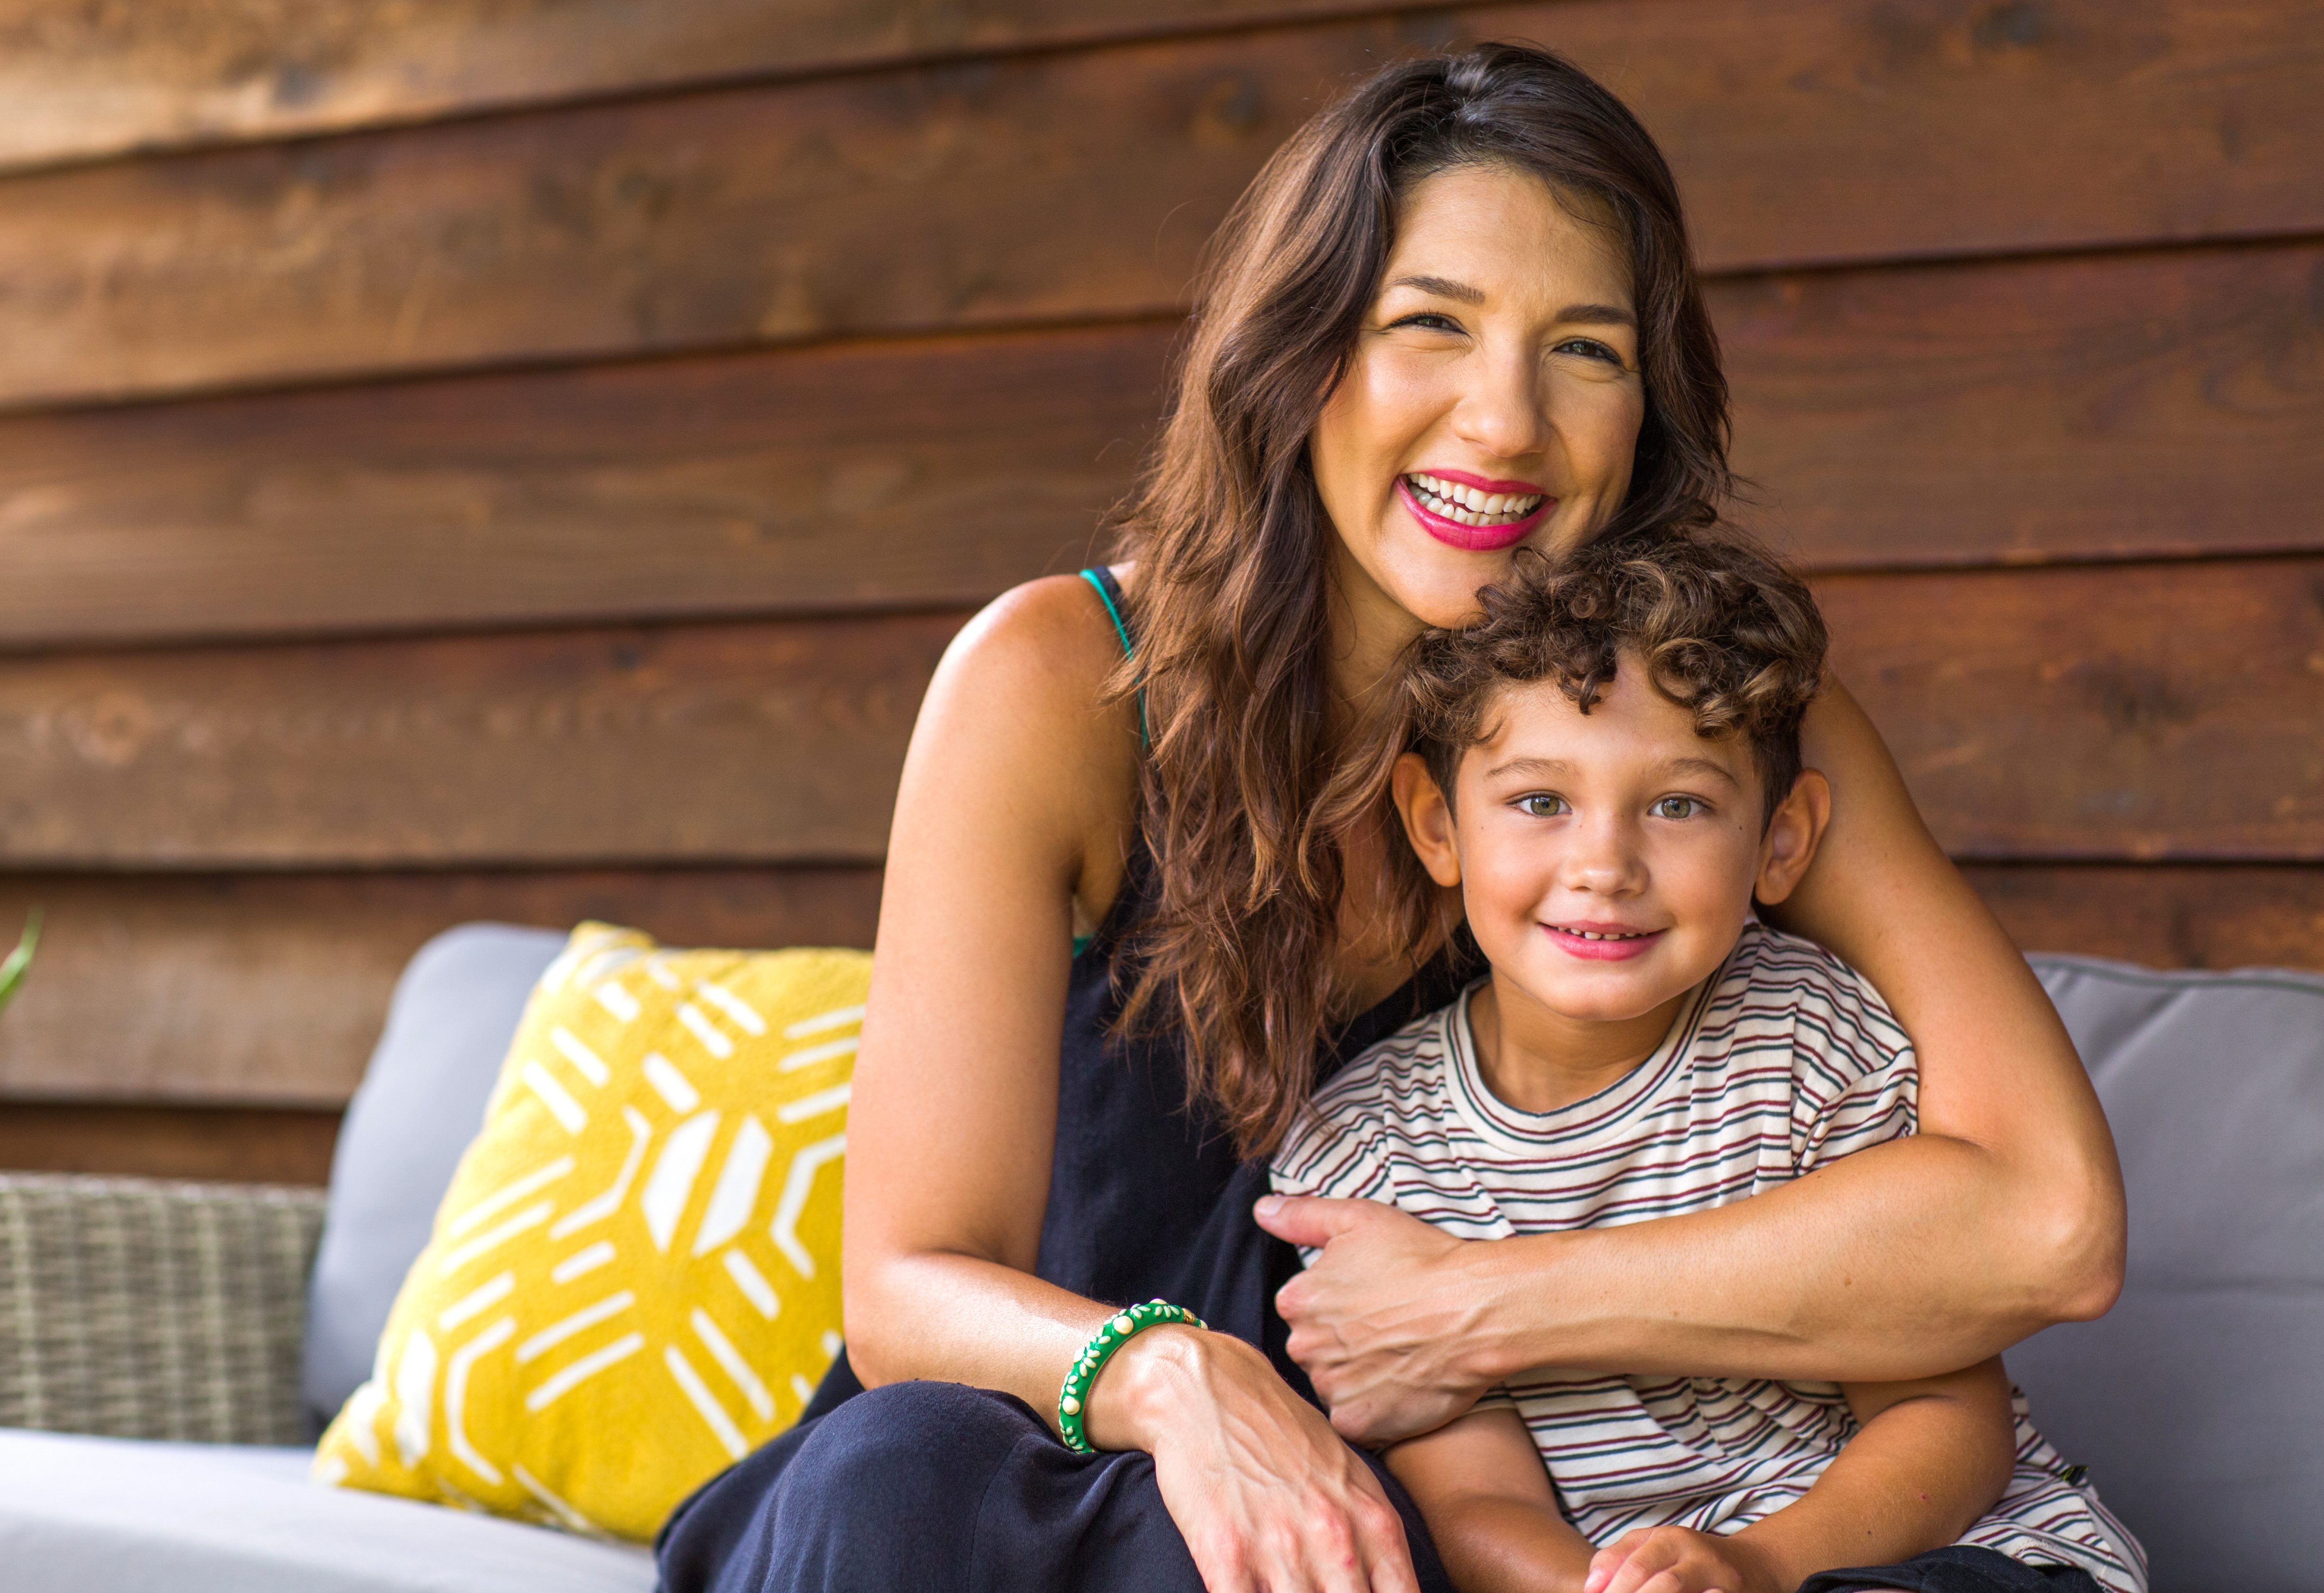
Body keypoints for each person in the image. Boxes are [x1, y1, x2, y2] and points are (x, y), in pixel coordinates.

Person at [656, 42, 2124, 1593]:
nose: (1503, 422)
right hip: (1049, 1475)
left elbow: (2049, 1221)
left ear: (1648, 408)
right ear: (1299, 354)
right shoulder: (1060, 683)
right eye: (1430, 325)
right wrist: (1179, 1378)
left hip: (1449, 1523)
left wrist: (1494, 1305)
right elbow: (906, 1288)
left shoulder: (1725, 724)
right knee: (908, 1473)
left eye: (1585, 349)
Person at [1271, 530, 2146, 1593]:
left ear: (1782, 840)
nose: (1604, 865)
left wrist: (1757, 1564)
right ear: (1434, 823)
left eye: (1678, 804)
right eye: (1539, 801)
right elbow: (1474, 1500)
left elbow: (1944, 1419)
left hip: (1932, 1553)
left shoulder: (1814, 1042)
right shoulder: (1369, 1148)